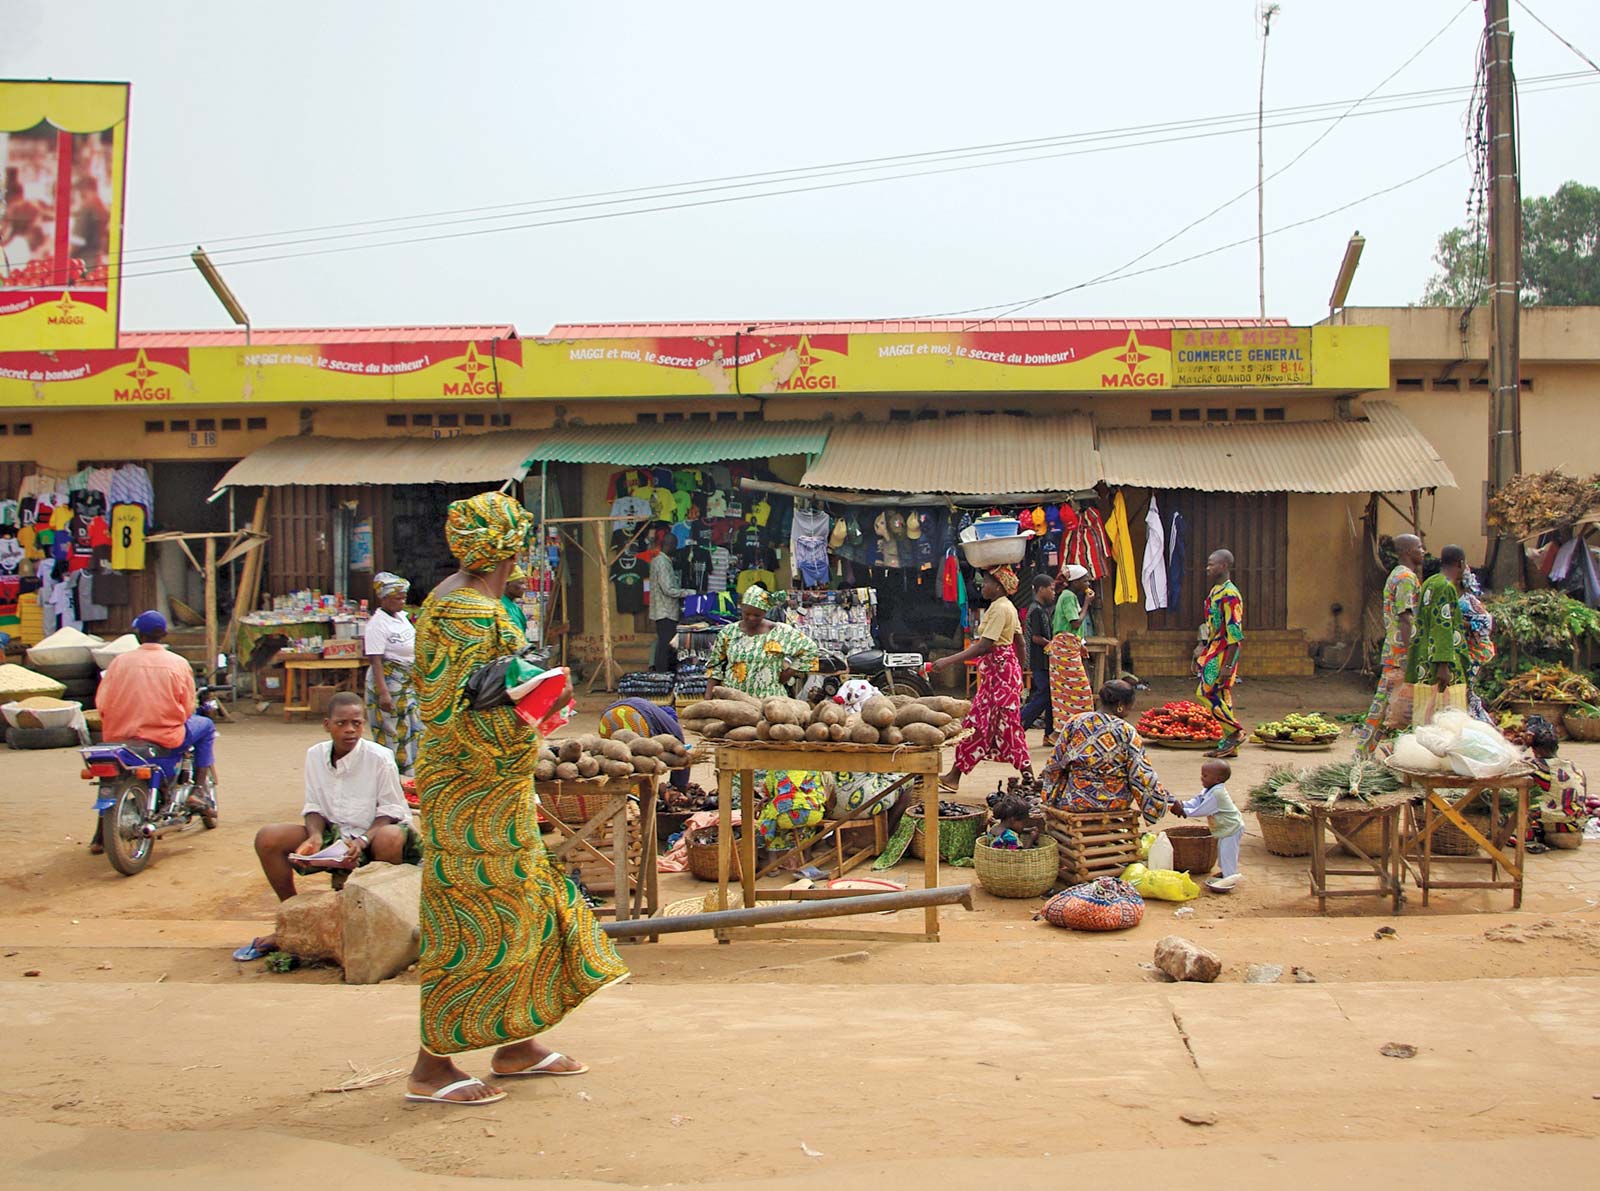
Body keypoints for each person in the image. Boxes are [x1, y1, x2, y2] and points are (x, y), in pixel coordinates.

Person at [406, 492, 627, 1107]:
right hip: (473, 794)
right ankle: (431, 1067)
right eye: (521, 541)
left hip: (491, 790)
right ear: (508, 547)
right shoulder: (469, 613)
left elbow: (478, 693)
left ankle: (516, 1042)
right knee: (470, 921)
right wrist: (538, 708)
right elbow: (458, 714)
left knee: (524, 908)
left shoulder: (455, 600)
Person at [234, 692, 420, 961]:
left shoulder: (380, 757)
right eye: (341, 723)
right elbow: (314, 807)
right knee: (268, 837)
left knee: (390, 837)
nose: (350, 730)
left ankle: (383, 925)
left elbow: (391, 811)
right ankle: (293, 920)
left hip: (376, 834)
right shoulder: (315, 755)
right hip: (338, 835)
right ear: (327, 725)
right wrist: (315, 836)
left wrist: (362, 841)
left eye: (356, 723)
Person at [91, 610, 218, 852]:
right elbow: (187, 707)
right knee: (207, 726)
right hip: (164, 737)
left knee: (110, 775)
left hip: (121, 737)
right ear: (164, 634)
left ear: (138, 634)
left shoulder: (119, 663)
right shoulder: (177, 663)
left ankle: (99, 837)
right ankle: (199, 790)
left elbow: (102, 703)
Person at [932, 565, 1033, 795]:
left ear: (998, 586)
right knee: (981, 725)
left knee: (999, 726)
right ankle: (954, 776)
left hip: (999, 677)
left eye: (986, 582)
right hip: (1002, 676)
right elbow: (1019, 643)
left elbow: (984, 647)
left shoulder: (999, 609)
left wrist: (948, 661)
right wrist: (1018, 673)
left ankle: (1029, 777)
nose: (982, 586)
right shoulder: (1007, 606)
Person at [1039, 679, 1169, 825]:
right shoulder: (1126, 731)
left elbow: (1054, 763)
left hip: (1074, 799)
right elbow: (1141, 774)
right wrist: (1161, 802)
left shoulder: (1076, 721)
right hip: (1113, 802)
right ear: (1120, 705)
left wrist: (1049, 796)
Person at [1355, 534, 1423, 755]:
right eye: (1419, 547)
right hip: (1401, 652)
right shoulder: (1405, 578)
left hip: (1394, 650)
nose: (1423, 551)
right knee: (1394, 705)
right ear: (1408, 551)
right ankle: (1368, 751)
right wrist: (1411, 653)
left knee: (1385, 704)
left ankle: (1365, 751)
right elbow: (1405, 617)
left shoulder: (1396, 574)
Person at [705, 586, 817, 698]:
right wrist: (708, 699)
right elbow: (714, 667)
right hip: (733, 700)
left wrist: (788, 673)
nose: (751, 618)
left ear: (765, 612)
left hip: (769, 700)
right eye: (746, 614)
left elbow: (810, 649)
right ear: (741, 609)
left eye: (757, 615)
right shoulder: (729, 632)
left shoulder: (780, 632)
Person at [1404, 544, 1470, 723]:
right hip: (1441, 664)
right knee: (1447, 718)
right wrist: (1443, 665)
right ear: (1460, 564)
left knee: (1425, 712)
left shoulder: (1430, 582)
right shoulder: (1445, 587)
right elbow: (1442, 625)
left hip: (1424, 660)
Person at [364, 572, 421, 777]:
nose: (402, 602)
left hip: (406, 682)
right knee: (392, 730)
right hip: (388, 681)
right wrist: (384, 693)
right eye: (398, 598)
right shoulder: (377, 624)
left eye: (404, 598)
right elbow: (376, 661)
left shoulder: (402, 618)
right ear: (384, 598)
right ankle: (392, 776)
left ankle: (411, 774)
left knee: (412, 726)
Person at [1193, 549, 1245, 758]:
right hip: (1213, 648)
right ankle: (1229, 746)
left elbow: (1235, 632)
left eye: (1211, 564)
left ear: (1223, 566)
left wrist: (1228, 665)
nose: (1207, 568)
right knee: (1222, 695)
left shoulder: (1230, 594)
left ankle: (1235, 731)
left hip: (1224, 651)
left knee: (1205, 692)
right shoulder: (1215, 591)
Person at [1169, 758, 1244, 893]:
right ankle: (1226, 873)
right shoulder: (1208, 789)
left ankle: (1229, 877)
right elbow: (1197, 801)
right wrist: (1183, 805)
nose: (1201, 778)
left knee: (1228, 853)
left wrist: (1183, 811)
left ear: (1217, 779)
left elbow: (1203, 809)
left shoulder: (1217, 794)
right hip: (1225, 828)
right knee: (1222, 851)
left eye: (1205, 776)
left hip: (1232, 827)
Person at [1525, 720, 1592, 852]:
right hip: (1574, 824)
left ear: (1534, 749)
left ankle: (1527, 836)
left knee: (1516, 800)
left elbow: (1512, 766)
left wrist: (1522, 746)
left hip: (1556, 825)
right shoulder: (1574, 768)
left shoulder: (1538, 767)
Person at [1048, 563, 1097, 732]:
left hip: (1068, 648)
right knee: (1079, 690)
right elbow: (1075, 623)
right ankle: (1073, 728)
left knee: (1066, 692)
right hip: (1064, 649)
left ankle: (1066, 728)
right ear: (1075, 582)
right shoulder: (1068, 596)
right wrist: (1087, 603)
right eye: (1085, 581)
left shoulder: (1069, 596)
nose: (1088, 584)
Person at [1019, 574, 1058, 742]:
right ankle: (1018, 723)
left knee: (1049, 696)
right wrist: (1054, 645)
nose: (1054, 593)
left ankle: (1049, 733)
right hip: (1038, 660)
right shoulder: (1035, 610)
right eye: (1051, 589)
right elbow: (1036, 637)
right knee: (1044, 694)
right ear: (1041, 589)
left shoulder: (1041, 609)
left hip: (1044, 661)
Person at [648, 532, 692, 672]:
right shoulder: (662, 562)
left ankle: (663, 673)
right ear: (671, 545)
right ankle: (663, 674)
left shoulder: (661, 561)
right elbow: (668, 589)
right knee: (666, 645)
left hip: (664, 610)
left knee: (664, 644)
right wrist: (690, 592)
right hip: (665, 611)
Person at [501, 564, 530, 639]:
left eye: (525, 583)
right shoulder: (501, 607)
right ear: (507, 584)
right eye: (521, 583)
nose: (525, 587)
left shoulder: (516, 608)